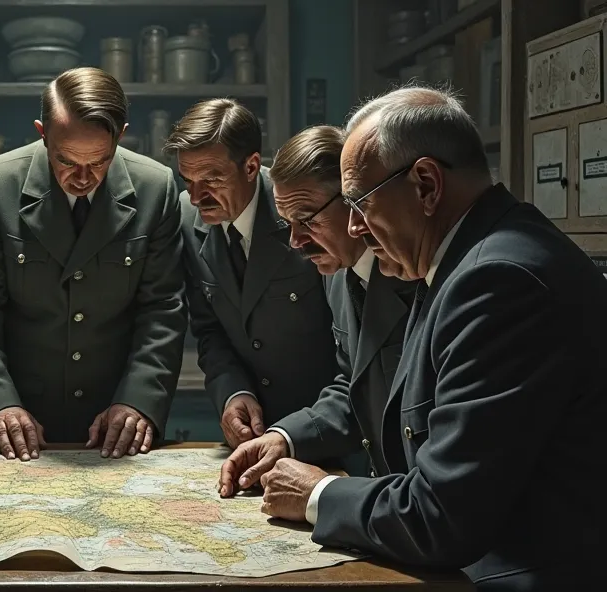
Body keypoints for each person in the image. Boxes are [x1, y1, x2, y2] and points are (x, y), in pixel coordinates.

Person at [225, 86, 607, 590]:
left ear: (426, 184)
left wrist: (321, 493)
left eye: (359, 203)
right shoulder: (463, 262)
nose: (356, 227)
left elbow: (440, 516)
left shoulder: (495, 282)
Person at [0, 67, 187, 460]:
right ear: (43, 133)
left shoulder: (155, 187)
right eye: (66, 161)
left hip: (118, 421)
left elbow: (162, 309)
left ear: (120, 136)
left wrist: (138, 401)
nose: (82, 178)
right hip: (20, 420)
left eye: (99, 162)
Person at [217, 125, 417, 487]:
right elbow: (352, 386)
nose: (295, 242)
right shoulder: (336, 273)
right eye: (287, 223)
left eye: (307, 220)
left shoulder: (413, 275)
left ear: (354, 203)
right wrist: (284, 438)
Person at [167, 99, 337, 450]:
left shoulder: (300, 209)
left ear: (251, 166)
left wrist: (297, 433)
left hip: (326, 427)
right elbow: (208, 329)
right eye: (188, 180)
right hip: (249, 434)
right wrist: (232, 393)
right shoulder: (185, 216)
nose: (197, 196)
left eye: (212, 179)